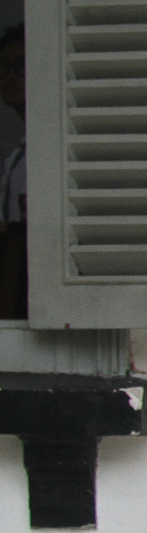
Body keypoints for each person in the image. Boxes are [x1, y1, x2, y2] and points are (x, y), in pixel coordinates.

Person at [3, 25, 28, 320]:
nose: (10, 75)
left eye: (20, 65)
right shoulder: (14, 156)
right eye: (4, 66)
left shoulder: (53, 152)